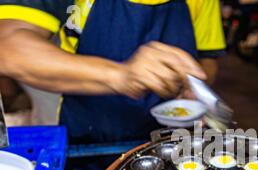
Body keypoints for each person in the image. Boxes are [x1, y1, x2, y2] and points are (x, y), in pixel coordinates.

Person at [0, 0, 226, 144]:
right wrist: (121, 75)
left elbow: (208, 59)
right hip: (85, 135)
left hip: (166, 138)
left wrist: (192, 87)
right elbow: (8, 47)